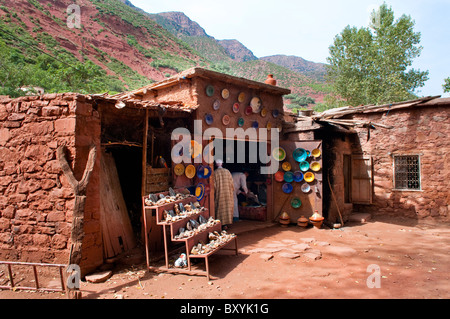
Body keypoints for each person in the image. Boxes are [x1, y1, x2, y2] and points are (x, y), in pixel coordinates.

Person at [213, 159, 235, 228]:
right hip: (227, 193)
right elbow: (232, 183)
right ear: (222, 164)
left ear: (216, 165)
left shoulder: (215, 173)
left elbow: (214, 186)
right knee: (227, 207)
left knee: (220, 207)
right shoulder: (227, 172)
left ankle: (222, 224)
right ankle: (226, 223)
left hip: (220, 193)